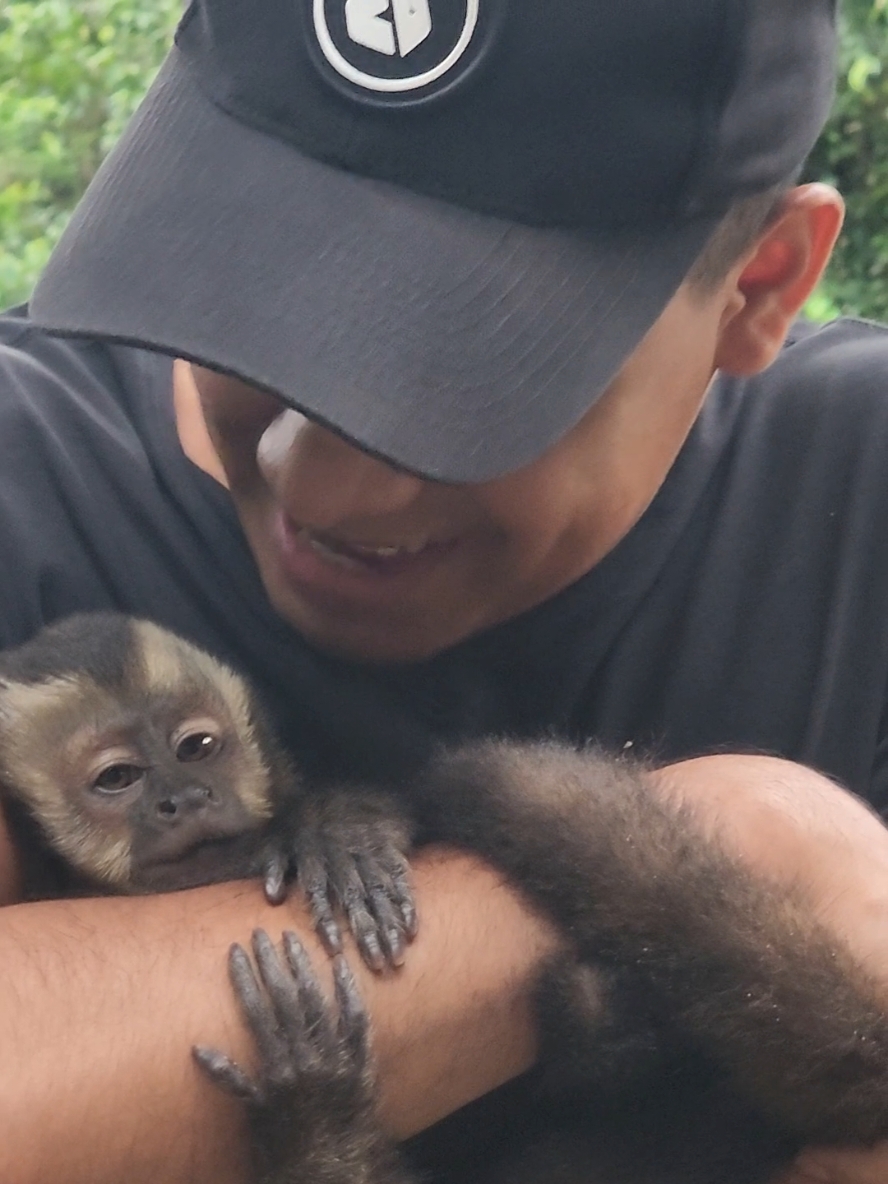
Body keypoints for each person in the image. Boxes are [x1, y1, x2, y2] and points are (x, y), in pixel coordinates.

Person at [1, 0, 888, 1179]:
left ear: (761, 284)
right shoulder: (27, 473)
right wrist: (732, 849)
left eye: (470, 372)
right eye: (249, 304)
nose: (312, 480)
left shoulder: (856, 495)